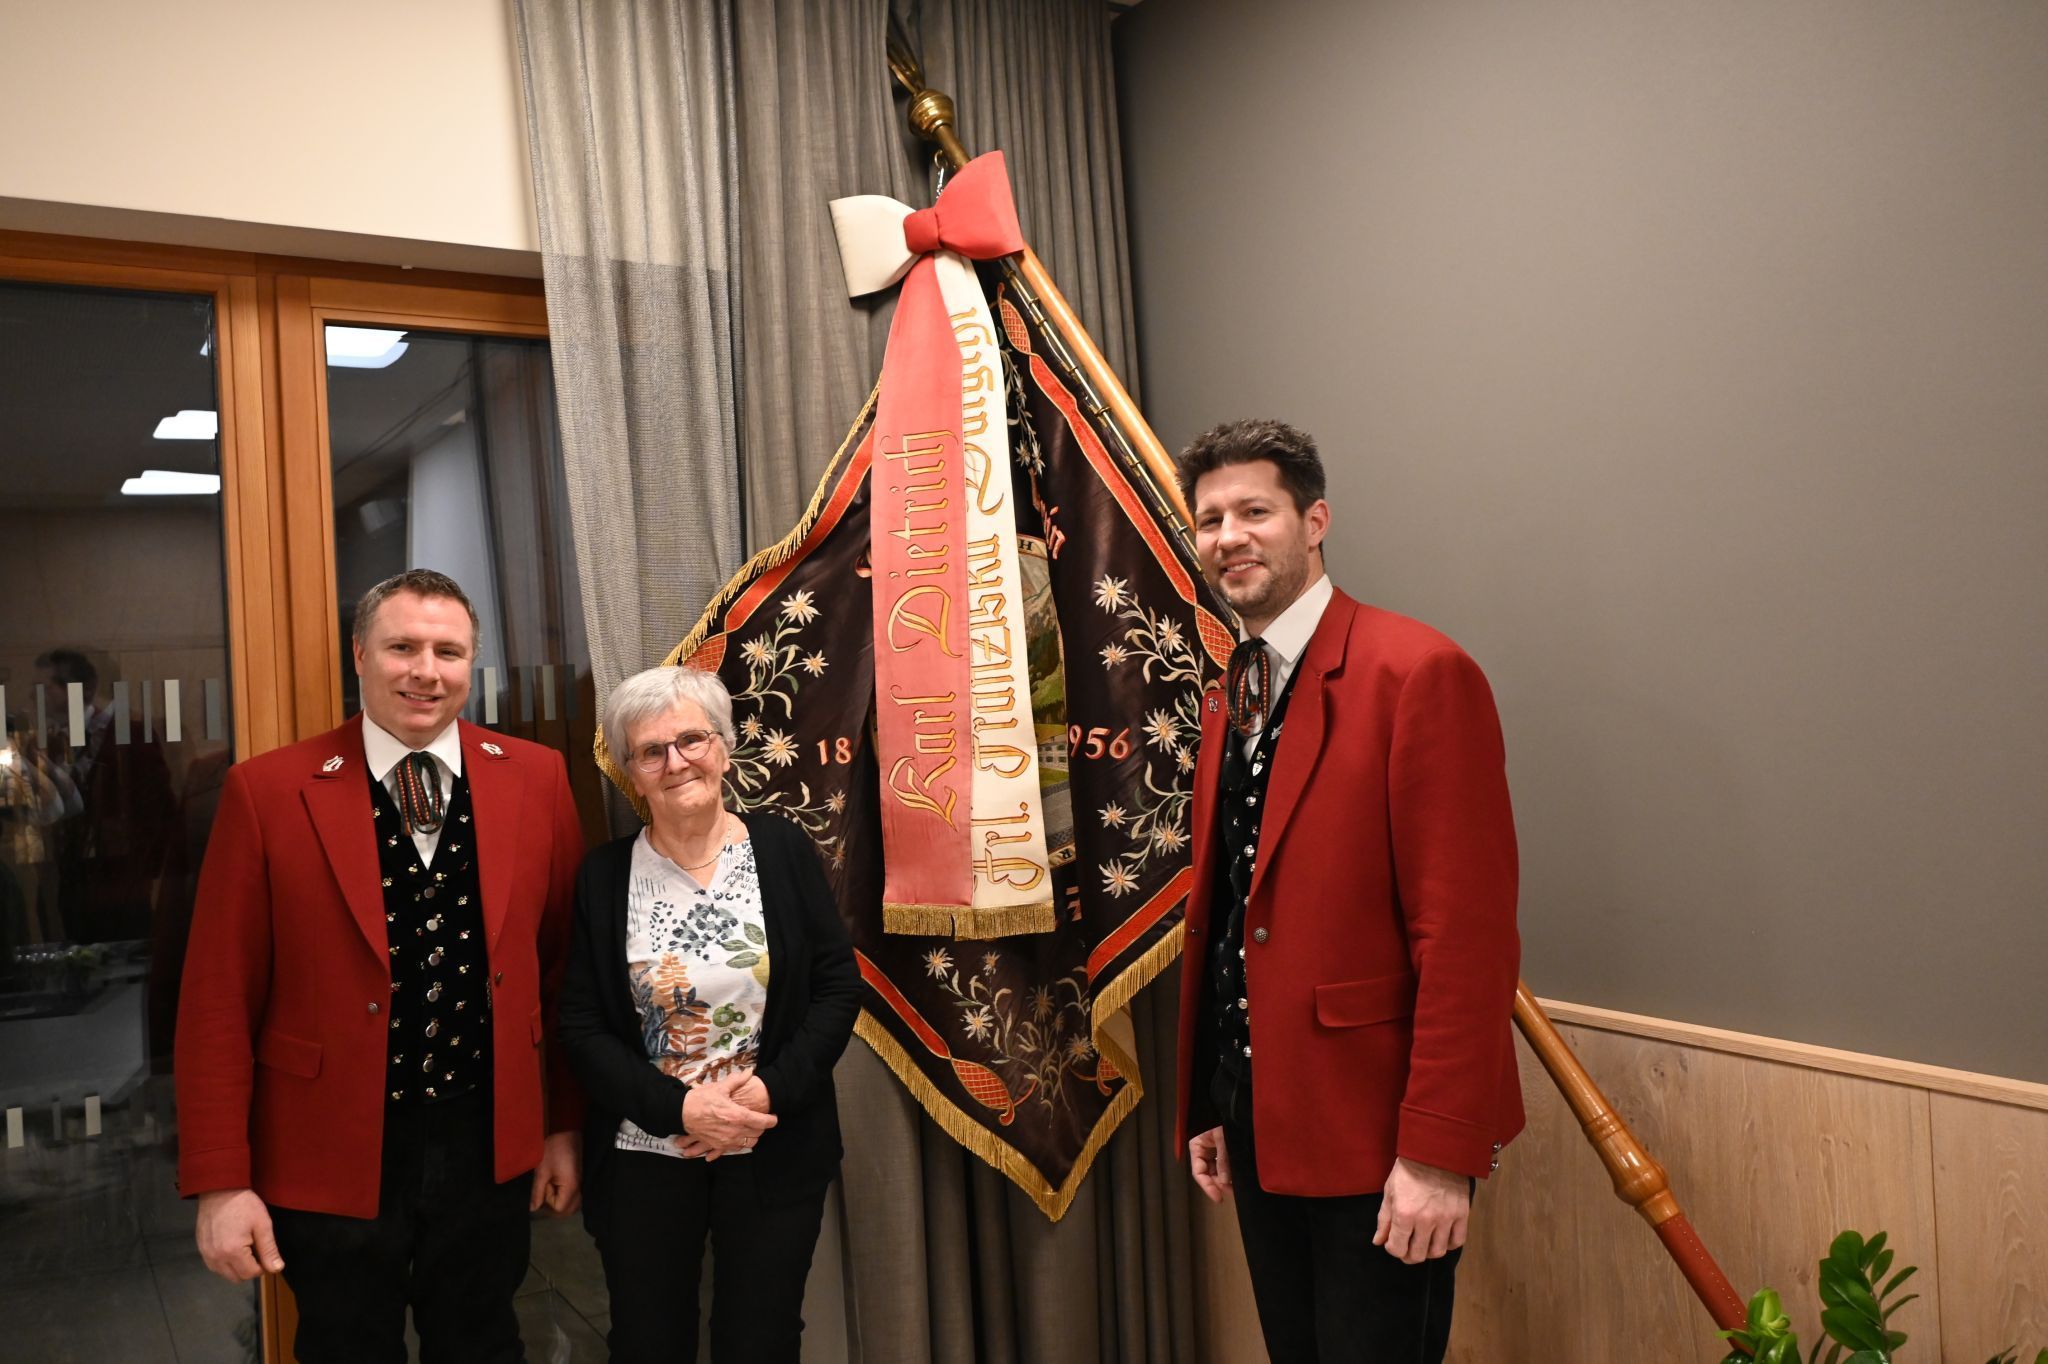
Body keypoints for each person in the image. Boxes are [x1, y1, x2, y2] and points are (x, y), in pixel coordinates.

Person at [1173, 420, 1524, 1363]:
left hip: (1380, 1137)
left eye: (1255, 512)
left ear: (1315, 521)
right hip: (1261, 1119)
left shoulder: (1418, 672)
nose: (1229, 537)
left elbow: (1467, 939)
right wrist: (1218, 1098)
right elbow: (1237, 910)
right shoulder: (1234, 689)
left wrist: (1438, 1157)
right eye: (1210, 519)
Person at [175, 568, 587, 1364]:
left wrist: (564, 1125)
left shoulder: (537, 778)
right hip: (326, 1148)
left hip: (486, 1144)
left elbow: (563, 968)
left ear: (471, 664)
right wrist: (221, 1182)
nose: (425, 671)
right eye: (402, 648)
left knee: (483, 1345)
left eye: (448, 652)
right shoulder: (267, 792)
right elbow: (217, 1000)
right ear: (360, 655)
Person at [560, 665, 859, 1364]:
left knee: (762, 1341)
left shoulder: (782, 849)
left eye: (692, 740)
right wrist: (682, 1109)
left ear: (723, 749)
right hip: (644, 1156)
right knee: (648, 1343)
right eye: (651, 751)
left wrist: (766, 1092)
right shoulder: (603, 876)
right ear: (631, 773)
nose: (676, 762)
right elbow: (581, 1025)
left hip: (771, 1143)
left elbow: (836, 988)